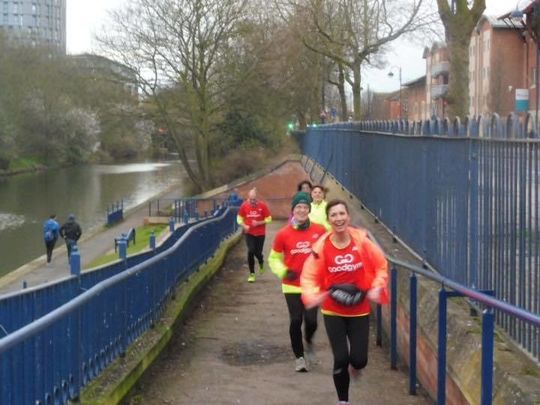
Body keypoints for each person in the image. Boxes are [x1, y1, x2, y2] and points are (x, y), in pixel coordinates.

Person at [301, 199, 388, 405]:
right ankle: (343, 401)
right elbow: (309, 276)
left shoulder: (363, 242)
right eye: (334, 215)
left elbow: (381, 265)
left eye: (342, 214)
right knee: (340, 358)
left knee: (359, 360)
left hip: (359, 310)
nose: (338, 218)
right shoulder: (321, 247)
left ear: (348, 217)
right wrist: (315, 295)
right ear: (328, 219)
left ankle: (355, 368)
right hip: (333, 311)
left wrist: (376, 286)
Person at [268, 192, 326, 372]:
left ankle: (308, 340)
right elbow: (273, 259)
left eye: (305, 207)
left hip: (312, 285)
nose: (302, 210)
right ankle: (299, 357)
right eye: (298, 207)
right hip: (291, 285)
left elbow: (327, 254)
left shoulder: (319, 230)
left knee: (311, 321)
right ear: (293, 210)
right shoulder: (283, 234)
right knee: (295, 320)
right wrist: (284, 271)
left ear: (309, 209)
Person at [236, 188, 272, 282]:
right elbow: (239, 218)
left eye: (254, 199)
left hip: (260, 233)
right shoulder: (244, 206)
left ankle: (261, 261)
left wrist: (259, 222)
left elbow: (269, 219)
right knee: (251, 251)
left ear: (257, 198)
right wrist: (244, 225)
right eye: (250, 199)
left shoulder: (262, 206)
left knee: (258, 253)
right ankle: (252, 274)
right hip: (249, 233)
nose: (252, 201)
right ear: (248, 198)